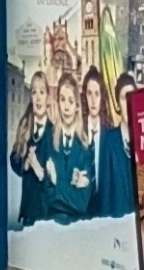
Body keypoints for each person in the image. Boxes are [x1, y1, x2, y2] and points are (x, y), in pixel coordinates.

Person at [40, 72, 97, 222]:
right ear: (57, 102)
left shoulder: (86, 146)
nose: (66, 107)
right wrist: (71, 189)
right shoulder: (48, 139)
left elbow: (82, 203)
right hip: (52, 225)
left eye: (71, 101)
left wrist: (56, 181)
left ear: (77, 106)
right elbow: (46, 197)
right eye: (62, 100)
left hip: (78, 229)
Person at [83, 64, 133, 218]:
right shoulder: (109, 140)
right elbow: (105, 197)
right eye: (125, 98)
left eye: (133, 97)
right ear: (117, 102)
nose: (130, 104)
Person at [10, 68, 54, 228]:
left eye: (42, 92)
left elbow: (58, 178)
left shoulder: (53, 133)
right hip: (28, 213)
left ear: (48, 97)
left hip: (47, 214)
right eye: (34, 92)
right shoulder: (25, 128)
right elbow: (13, 158)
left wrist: (40, 171)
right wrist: (25, 165)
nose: (38, 98)